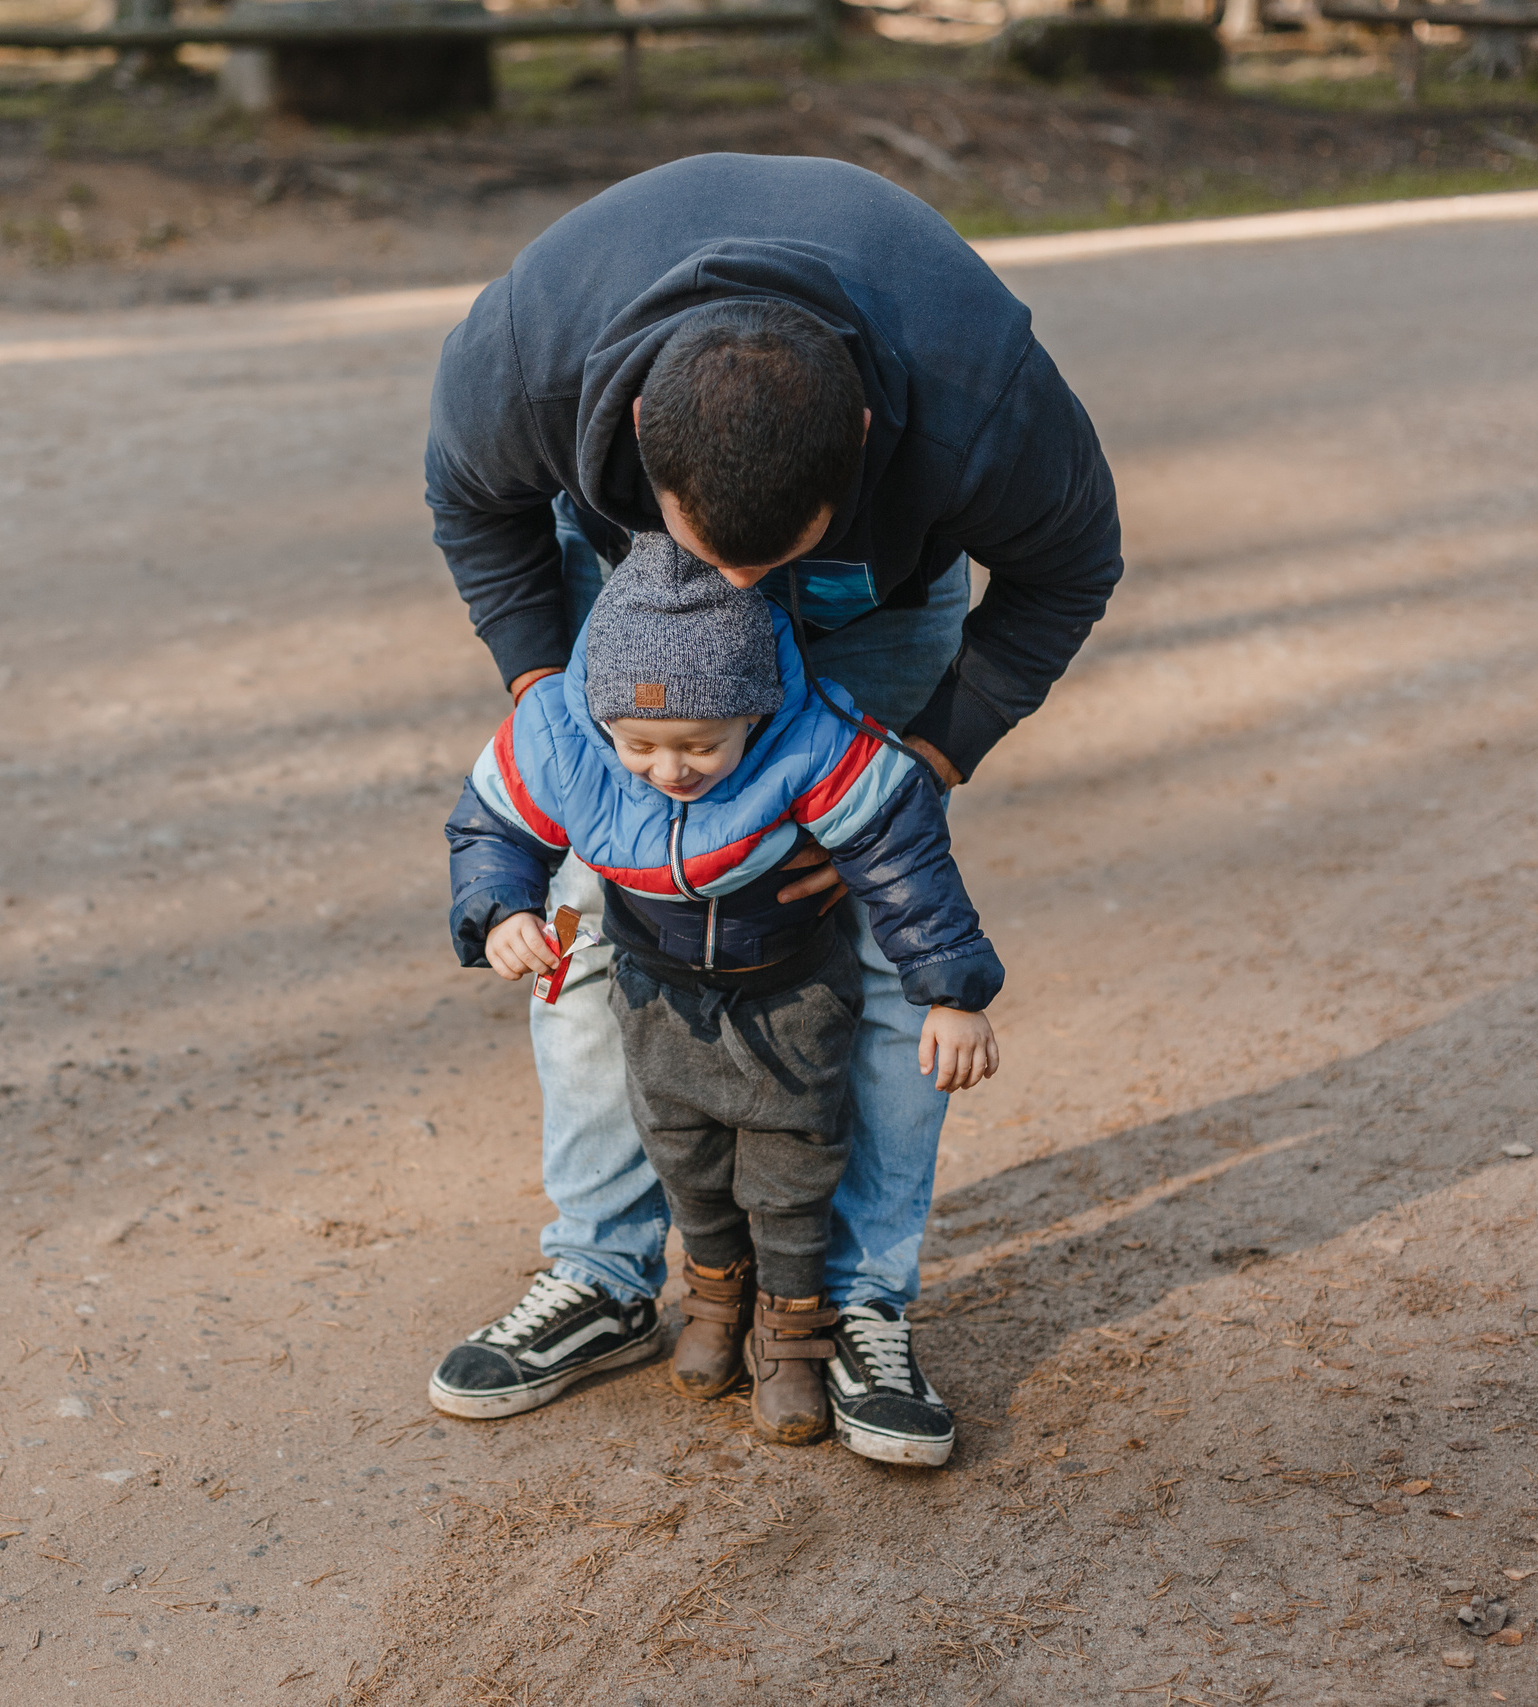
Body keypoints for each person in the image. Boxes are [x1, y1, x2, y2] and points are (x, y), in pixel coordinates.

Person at [422, 152, 1122, 1465]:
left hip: (878, 601)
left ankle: (857, 1300)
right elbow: (471, 501)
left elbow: (1073, 564)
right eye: (716, 552)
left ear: (858, 438)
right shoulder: (537, 345)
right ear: (635, 427)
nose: (739, 589)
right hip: (631, 612)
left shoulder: (979, 396)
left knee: (877, 909)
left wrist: (926, 760)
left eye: (770, 556)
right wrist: (548, 706)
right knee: (591, 903)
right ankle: (607, 1270)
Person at [442, 535, 1002, 1455]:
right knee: (686, 1159)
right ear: (600, 719)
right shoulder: (564, 739)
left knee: (791, 1165)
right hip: (655, 995)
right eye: (642, 746)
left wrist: (951, 990)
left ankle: (800, 1331)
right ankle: (689, 1296)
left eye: (701, 745)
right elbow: (491, 819)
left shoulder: (814, 739)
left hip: (790, 1001)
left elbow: (904, 860)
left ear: (758, 710)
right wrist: (501, 907)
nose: (671, 771)